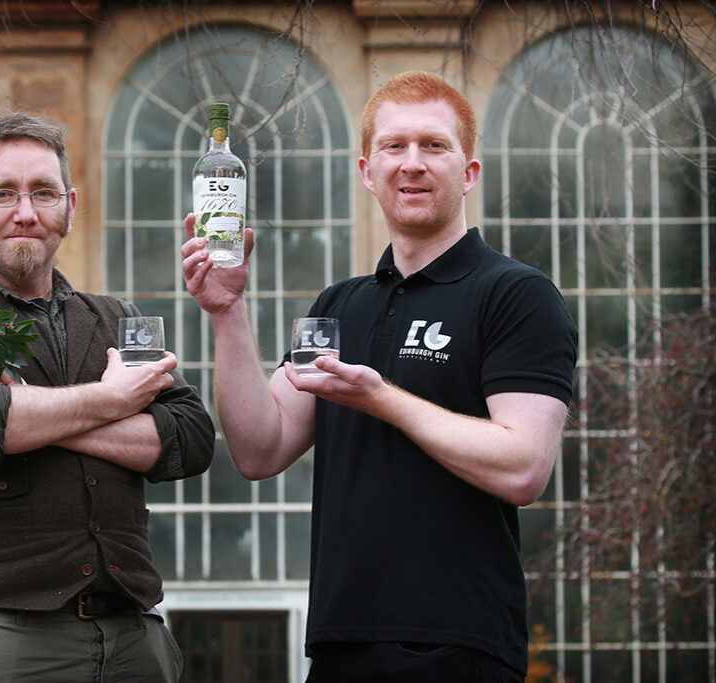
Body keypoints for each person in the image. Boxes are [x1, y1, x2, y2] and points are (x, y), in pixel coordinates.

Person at [181, 71, 577, 681]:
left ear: (469, 172)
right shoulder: (340, 305)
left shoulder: (517, 295)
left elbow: (523, 467)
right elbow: (260, 449)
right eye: (394, 147)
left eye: (434, 146)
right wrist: (228, 312)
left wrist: (383, 399)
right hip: (341, 642)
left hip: (458, 645)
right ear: (368, 171)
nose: (412, 164)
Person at [0, 112, 215, 682]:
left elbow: (190, 438)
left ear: (68, 207)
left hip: (134, 638)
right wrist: (117, 399)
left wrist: (36, 412)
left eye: (43, 193)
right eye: (3, 194)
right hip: (3, 639)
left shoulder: (118, 320)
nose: (25, 212)